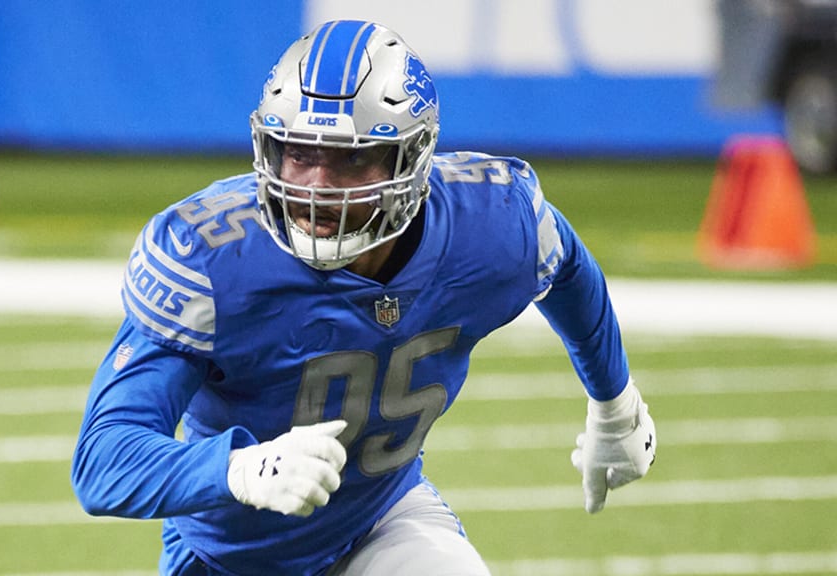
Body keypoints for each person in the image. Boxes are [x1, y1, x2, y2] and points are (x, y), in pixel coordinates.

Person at [72, 19, 657, 576]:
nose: (317, 187)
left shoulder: (491, 225)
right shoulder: (213, 260)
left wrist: (616, 403)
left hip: (379, 521)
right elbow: (103, 462)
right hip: (228, 558)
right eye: (299, 154)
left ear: (412, 157)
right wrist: (242, 468)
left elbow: (566, 267)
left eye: (351, 158)